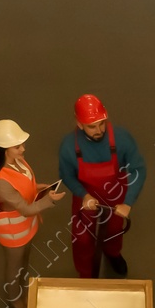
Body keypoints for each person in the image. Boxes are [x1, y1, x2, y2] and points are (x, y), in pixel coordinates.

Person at [58, 94, 146, 278]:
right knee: (82, 239)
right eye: (92, 126)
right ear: (79, 124)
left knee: (114, 230)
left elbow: (138, 169)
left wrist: (128, 202)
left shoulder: (121, 139)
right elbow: (66, 175)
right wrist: (83, 194)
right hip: (87, 200)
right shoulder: (69, 146)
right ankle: (85, 273)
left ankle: (113, 254)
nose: (98, 130)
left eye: (101, 123)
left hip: (115, 197)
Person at [0, 119, 65, 308]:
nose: (23, 149)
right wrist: (49, 200)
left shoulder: (17, 163)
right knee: (14, 268)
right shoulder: (2, 183)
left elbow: (22, 187)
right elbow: (25, 209)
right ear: (5, 149)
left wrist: (36, 188)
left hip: (26, 228)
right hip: (14, 234)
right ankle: (15, 299)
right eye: (17, 146)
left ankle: (21, 290)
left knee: (24, 263)